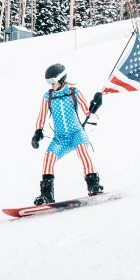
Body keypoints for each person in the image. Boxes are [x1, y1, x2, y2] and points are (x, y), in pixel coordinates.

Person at [31, 63, 104, 205]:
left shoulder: (73, 93)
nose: (50, 85)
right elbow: (41, 117)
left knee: (83, 152)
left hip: (77, 133)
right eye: (48, 82)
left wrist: (95, 105)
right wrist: (38, 132)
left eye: (52, 81)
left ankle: (93, 185)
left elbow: (88, 113)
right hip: (60, 139)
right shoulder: (48, 96)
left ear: (61, 78)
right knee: (48, 158)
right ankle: (47, 195)